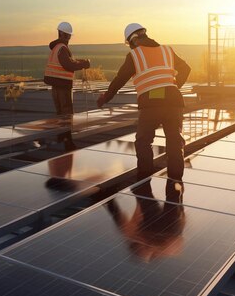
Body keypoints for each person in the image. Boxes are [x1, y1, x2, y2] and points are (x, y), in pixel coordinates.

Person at [97, 23, 190, 181]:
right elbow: (186, 68)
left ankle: (144, 181)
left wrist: (105, 97)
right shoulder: (166, 50)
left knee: (143, 141)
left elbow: (120, 79)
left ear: (132, 40)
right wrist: (174, 86)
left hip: (152, 103)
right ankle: (176, 183)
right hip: (173, 101)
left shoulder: (134, 55)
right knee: (174, 142)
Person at [43, 21, 90, 149]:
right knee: (66, 114)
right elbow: (68, 65)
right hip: (63, 87)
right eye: (68, 35)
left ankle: (61, 140)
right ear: (64, 35)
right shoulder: (62, 48)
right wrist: (83, 65)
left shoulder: (57, 48)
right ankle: (67, 143)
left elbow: (69, 62)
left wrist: (81, 62)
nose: (68, 38)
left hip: (56, 86)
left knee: (61, 114)